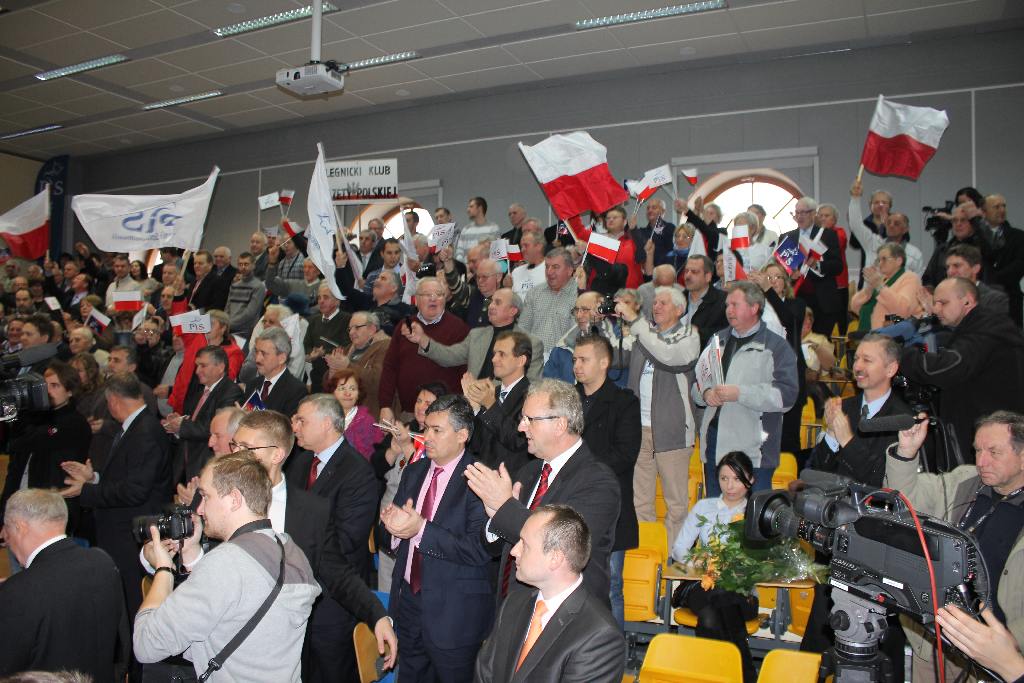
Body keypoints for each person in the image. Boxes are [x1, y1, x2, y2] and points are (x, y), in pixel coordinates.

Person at [229, 410, 397, 683]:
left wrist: (377, 616)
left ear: (277, 454)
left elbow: (337, 572)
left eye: (246, 448)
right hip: (231, 638)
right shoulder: (219, 496)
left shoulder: (310, 511)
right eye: (234, 445)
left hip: (287, 644)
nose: (235, 454)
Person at [134, 452, 321, 682]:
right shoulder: (290, 551)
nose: (200, 509)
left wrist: (164, 569)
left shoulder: (225, 563)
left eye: (205, 496)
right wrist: (193, 555)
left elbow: (146, 644)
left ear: (234, 499)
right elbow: (235, 613)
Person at [889, 411, 1024, 682]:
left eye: (994, 452)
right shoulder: (965, 482)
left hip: (1000, 655)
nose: (981, 461)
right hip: (939, 640)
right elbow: (905, 501)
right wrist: (906, 453)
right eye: (977, 450)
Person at [465, 378, 620, 606]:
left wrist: (505, 506)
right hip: (513, 611)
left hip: (567, 621)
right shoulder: (528, 472)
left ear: (560, 424)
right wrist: (495, 515)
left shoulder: (598, 482)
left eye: (530, 420)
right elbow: (496, 548)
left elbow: (560, 544)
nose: (520, 427)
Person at [380, 394, 494, 683]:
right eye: (426, 428)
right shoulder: (415, 471)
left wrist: (420, 529)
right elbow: (393, 529)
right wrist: (393, 530)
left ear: (462, 435)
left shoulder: (479, 478)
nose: (426, 436)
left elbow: (478, 550)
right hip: (407, 604)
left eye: (436, 430)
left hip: (454, 614)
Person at [60, 372, 172, 617]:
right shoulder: (137, 427)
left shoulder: (145, 432)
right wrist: (93, 478)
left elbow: (135, 491)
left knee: (132, 604)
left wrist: (87, 490)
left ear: (113, 401)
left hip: (129, 536)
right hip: (123, 532)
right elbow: (127, 479)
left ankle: (134, 655)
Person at [475, 504, 626, 683]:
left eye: (525, 544)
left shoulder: (600, 636)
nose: (514, 551)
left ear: (555, 558)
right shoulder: (514, 603)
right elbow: (484, 675)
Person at [0, 489, 128, 681]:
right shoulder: (102, 562)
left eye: (7, 531)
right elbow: (122, 643)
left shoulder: (18, 590)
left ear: (20, 527)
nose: (5, 538)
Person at [899, 277, 1024, 464]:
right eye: (935, 303)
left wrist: (900, 356)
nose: (936, 309)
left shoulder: (986, 330)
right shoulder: (980, 327)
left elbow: (947, 368)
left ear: (967, 301)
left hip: (994, 436)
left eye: (943, 302)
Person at [616, 286, 701, 548]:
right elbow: (617, 359)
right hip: (639, 429)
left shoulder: (690, 335)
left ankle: (674, 559)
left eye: (664, 303)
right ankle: (648, 554)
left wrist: (636, 324)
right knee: (640, 500)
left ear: (680, 309)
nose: (657, 306)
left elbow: (670, 357)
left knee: (675, 502)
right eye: (655, 302)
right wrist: (595, 328)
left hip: (672, 430)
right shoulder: (644, 335)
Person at [694, 282, 799, 493]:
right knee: (717, 515)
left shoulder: (777, 347)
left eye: (735, 304)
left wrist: (740, 393)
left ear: (754, 308)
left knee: (751, 518)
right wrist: (705, 394)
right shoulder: (717, 340)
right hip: (715, 441)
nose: (728, 310)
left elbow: (786, 396)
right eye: (727, 305)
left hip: (754, 450)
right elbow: (698, 381)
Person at [670, 452, 759, 683]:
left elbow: (763, 560)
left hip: (742, 593)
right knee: (718, 597)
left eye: (737, 479)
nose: (730, 486)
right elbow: (678, 549)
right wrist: (696, 560)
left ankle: (711, 677)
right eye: (724, 478)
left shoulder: (756, 514)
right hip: (703, 586)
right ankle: (746, 675)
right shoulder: (704, 507)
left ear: (751, 479)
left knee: (711, 617)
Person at [573, 334, 641, 627]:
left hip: (610, 507)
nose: (576, 366)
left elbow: (625, 454)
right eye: (574, 359)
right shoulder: (568, 399)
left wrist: (580, 468)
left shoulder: (623, 402)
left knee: (611, 586)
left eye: (583, 360)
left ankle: (614, 657)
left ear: (604, 362)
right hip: (571, 503)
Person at [287, 394, 378, 581]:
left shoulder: (359, 472)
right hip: (297, 571)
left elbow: (347, 539)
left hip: (335, 583)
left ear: (326, 424)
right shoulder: (301, 462)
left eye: (301, 421)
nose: (294, 428)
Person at [371, 381, 446, 593]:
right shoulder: (404, 428)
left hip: (421, 518)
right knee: (387, 578)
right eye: (419, 400)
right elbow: (375, 468)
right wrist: (394, 450)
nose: (421, 406)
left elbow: (424, 474)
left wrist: (406, 447)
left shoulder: (441, 440)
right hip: (390, 513)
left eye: (428, 402)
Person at [378, 277, 470, 420]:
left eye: (439, 294)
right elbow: (390, 367)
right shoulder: (405, 326)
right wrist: (385, 405)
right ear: (416, 299)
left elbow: (466, 373)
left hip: (444, 414)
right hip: (409, 412)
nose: (433, 299)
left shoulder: (459, 328)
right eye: (427, 294)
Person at [408, 287, 543, 383]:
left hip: (506, 411)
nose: (490, 306)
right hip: (472, 405)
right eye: (490, 301)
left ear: (513, 311)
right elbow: (450, 356)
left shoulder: (531, 343)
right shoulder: (477, 335)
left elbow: (532, 384)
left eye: (498, 303)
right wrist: (423, 340)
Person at [163, 345, 244, 487]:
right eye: (197, 366)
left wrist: (181, 425)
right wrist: (178, 423)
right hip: (184, 465)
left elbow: (212, 429)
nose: (197, 371)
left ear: (220, 367)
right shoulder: (199, 391)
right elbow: (194, 422)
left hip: (205, 466)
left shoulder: (231, 392)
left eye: (203, 366)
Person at [462, 330, 533, 475]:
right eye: (494, 354)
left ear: (521, 361)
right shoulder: (491, 393)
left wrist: (490, 405)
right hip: (478, 474)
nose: (494, 359)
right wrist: (474, 408)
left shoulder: (532, 396)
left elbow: (518, 441)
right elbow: (475, 444)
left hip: (508, 478)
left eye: (502, 354)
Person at [781, 197, 845, 336]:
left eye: (803, 213)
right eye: (796, 213)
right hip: (796, 297)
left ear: (813, 213)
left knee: (820, 343)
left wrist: (818, 265)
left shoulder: (827, 235)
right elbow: (782, 268)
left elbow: (837, 266)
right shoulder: (787, 237)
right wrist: (790, 274)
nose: (799, 216)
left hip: (823, 300)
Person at [848, 178, 924, 275]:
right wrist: (855, 198)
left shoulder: (914, 254)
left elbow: (917, 281)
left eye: (896, 224)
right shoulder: (873, 243)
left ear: (905, 229)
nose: (891, 225)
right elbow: (855, 224)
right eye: (889, 223)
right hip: (873, 289)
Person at [323, 311, 393, 414]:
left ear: (372, 329)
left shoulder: (385, 347)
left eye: (357, 327)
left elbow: (378, 382)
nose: (351, 332)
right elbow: (327, 386)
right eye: (350, 329)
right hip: (343, 411)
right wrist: (333, 370)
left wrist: (347, 366)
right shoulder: (347, 349)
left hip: (370, 412)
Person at [518, 248, 579, 363]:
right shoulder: (535, 293)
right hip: (532, 360)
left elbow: (574, 337)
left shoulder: (579, 297)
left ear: (570, 270)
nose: (549, 272)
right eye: (547, 267)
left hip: (562, 363)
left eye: (555, 267)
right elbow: (522, 329)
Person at [850, 243, 923, 331]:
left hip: (895, 336)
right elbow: (854, 306)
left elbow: (904, 310)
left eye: (884, 259)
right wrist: (869, 288)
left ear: (898, 261)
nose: (880, 263)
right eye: (879, 260)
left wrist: (880, 287)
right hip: (871, 334)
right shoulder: (881, 279)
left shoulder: (910, 278)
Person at [249, 327, 309, 415]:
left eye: (263, 353)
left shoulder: (296, 391)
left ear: (281, 358)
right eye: (256, 352)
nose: (257, 359)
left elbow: (287, 427)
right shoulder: (252, 385)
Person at [327, 368, 384, 460]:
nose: (348, 393)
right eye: (342, 388)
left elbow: (370, 457)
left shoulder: (368, 421)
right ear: (332, 392)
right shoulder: (323, 416)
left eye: (352, 389)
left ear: (358, 394)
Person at [944, 243, 1009, 316]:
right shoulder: (943, 297)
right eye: (947, 267)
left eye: (957, 266)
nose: (950, 271)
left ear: (975, 268)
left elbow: (990, 326)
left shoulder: (995, 299)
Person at [681, 254, 728, 351]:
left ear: (708, 276)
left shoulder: (724, 301)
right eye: (686, 271)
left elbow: (727, 333)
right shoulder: (676, 299)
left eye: (694, 272)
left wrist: (698, 332)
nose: (688, 276)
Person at [454, 196, 501, 262]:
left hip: (486, 269)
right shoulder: (466, 230)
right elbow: (459, 252)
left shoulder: (493, 228)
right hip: (468, 269)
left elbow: (497, 253)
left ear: (479, 208)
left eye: (471, 206)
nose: (468, 210)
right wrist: (463, 267)